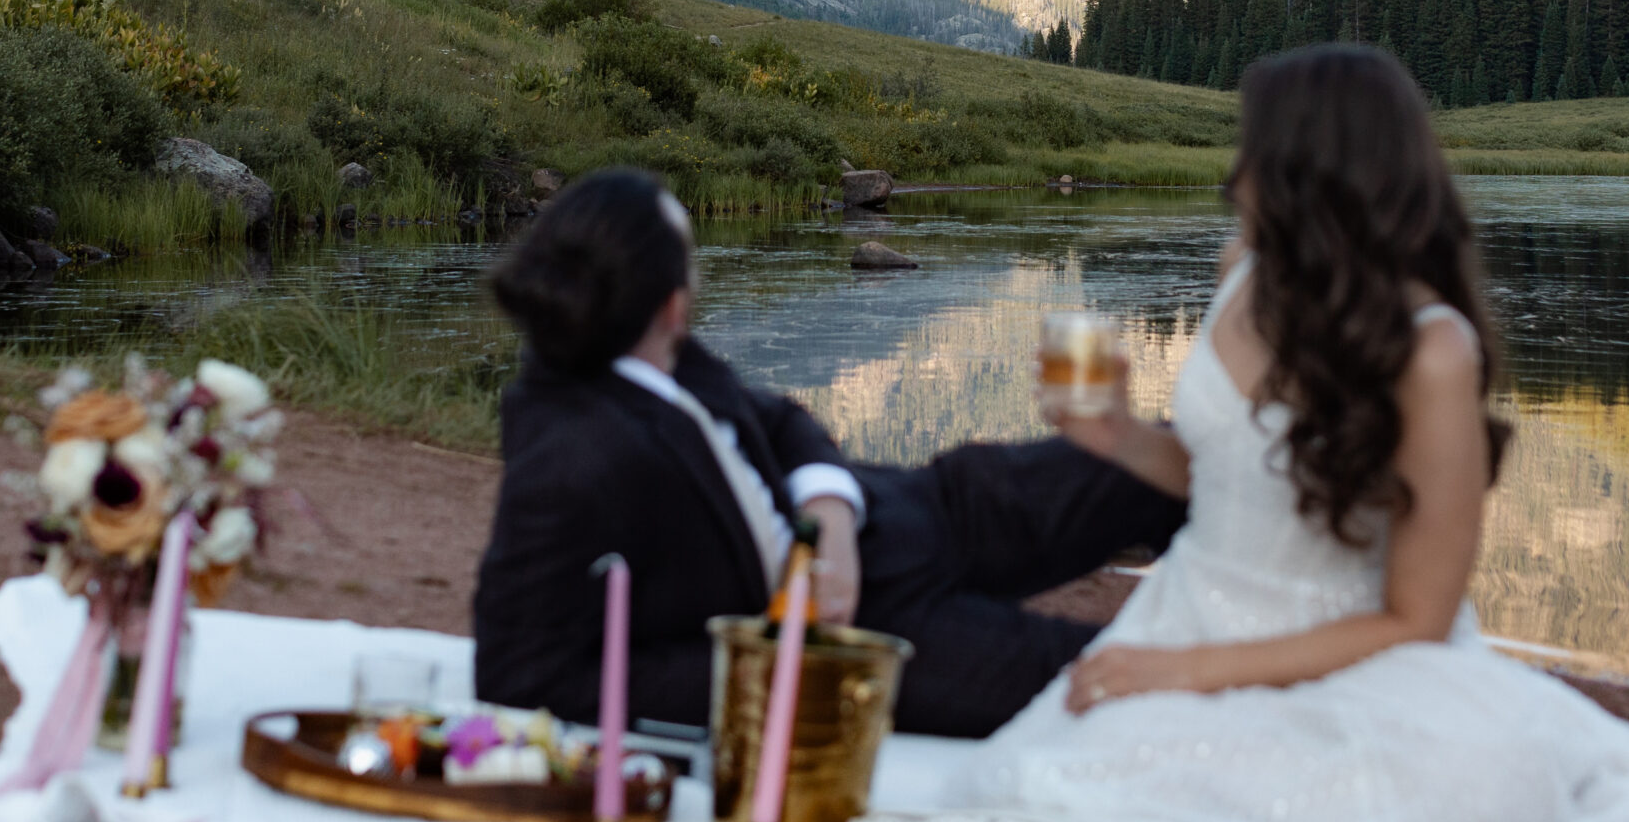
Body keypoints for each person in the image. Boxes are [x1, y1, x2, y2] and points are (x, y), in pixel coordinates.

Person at [851, 44, 1629, 822]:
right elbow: (1229, 481)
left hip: (1354, 665)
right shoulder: (1242, 277)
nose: (1234, 175)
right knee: (1036, 795)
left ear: (1314, 171)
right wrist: (1116, 437)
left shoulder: (1432, 353)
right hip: (1189, 609)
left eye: (1254, 152)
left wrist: (1179, 670)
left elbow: (1414, 616)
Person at [471, 169, 1185, 737]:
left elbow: (782, 422)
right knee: (1114, 677)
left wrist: (830, 512)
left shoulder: (655, 353)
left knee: (1157, 465)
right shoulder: (565, 458)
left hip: (916, 507)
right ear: (668, 299)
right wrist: (772, 672)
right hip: (873, 635)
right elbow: (517, 672)